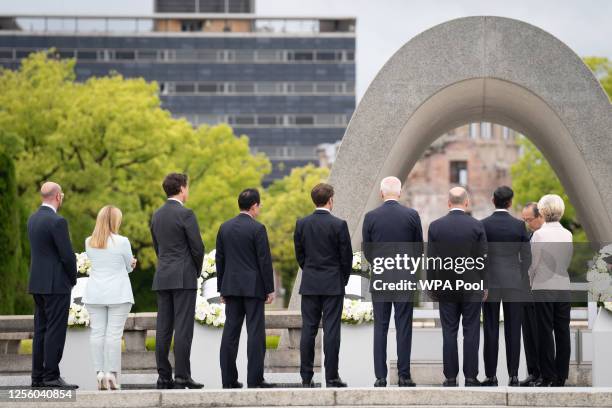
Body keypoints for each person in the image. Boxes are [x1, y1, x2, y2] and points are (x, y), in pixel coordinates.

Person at [362, 176, 423, 387]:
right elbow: (418, 250)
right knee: (404, 326)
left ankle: (380, 377)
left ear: (381, 193)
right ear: (399, 192)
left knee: (381, 326)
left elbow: (367, 251)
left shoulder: (371, 217)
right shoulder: (412, 215)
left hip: (380, 278)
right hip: (404, 278)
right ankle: (404, 376)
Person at [427, 187, 487, 387]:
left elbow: (432, 259)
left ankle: (450, 377)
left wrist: (432, 284)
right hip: (471, 285)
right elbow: (483, 259)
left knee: (449, 332)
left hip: (445, 285)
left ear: (448, 202)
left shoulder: (435, 227)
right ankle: (471, 377)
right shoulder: (477, 226)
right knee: (471, 331)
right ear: (467, 202)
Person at [150, 173, 205, 389]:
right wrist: (196, 271)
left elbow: (157, 247)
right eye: (187, 187)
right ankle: (182, 375)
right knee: (183, 328)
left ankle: (164, 377)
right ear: (182, 189)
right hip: (183, 276)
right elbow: (197, 247)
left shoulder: (156, 215)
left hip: (163, 275)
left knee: (163, 327)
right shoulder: (186, 214)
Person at [295, 183, 352, 388]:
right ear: (330, 200)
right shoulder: (339, 225)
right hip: (332, 284)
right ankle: (332, 376)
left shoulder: (302, 223)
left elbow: (299, 255)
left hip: (310, 283)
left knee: (308, 330)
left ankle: (306, 377)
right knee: (332, 331)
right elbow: (346, 258)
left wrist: (309, 270)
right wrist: (341, 278)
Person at [216, 188, 275, 389]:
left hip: (231, 287)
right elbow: (264, 261)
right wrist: (270, 289)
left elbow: (220, 259)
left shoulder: (224, 227)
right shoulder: (258, 229)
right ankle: (255, 379)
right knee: (256, 334)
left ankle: (229, 380)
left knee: (230, 333)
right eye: (259, 205)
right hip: (254, 288)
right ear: (254, 206)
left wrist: (221, 288)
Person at [27, 182, 78, 389]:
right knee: (55, 330)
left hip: (37, 283)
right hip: (56, 284)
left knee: (41, 330)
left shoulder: (32, 219)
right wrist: (73, 278)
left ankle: (37, 377)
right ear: (58, 197)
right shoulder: (58, 221)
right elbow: (67, 256)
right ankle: (51, 376)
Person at [480, 186, 531, 387]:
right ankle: (514, 375)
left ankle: (491, 376)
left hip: (490, 282)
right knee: (513, 328)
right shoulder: (519, 226)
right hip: (513, 282)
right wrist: (518, 272)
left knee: (490, 328)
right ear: (510, 202)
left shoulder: (483, 224)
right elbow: (527, 256)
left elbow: (479, 257)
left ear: (493, 200)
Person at [82, 205, 137, 390]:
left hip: (95, 292)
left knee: (97, 332)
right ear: (115, 221)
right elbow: (128, 267)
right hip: (118, 293)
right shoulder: (122, 241)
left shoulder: (89, 241)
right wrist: (132, 264)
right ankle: (111, 374)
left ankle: (99, 372)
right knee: (114, 334)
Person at [529, 194, 573, 387]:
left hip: (543, 287)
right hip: (563, 286)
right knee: (562, 331)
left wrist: (530, 282)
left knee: (545, 331)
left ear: (543, 211)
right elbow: (567, 261)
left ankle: (548, 376)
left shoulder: (539, 234)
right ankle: (561, 376)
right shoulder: (568, 234)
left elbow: (533, 264)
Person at [519, 202, 544, 386]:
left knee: (539, 333)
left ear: (540, 216)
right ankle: (533, 372)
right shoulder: (529, 236)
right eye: (525, 220)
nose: (527, 223)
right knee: (528, 333)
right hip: (526, 291)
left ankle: (543, 373)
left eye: (530, 219)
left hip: (541, 290)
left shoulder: (546, 236)